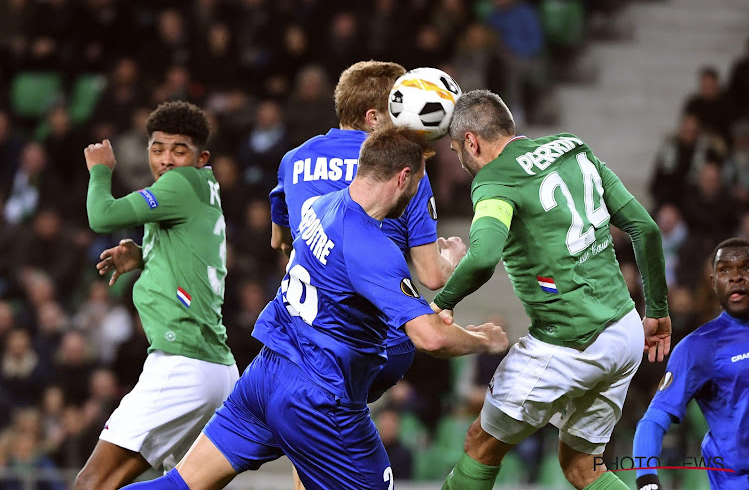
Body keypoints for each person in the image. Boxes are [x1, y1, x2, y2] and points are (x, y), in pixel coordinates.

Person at [121, 127, 509, 490]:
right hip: (320, 398)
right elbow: (430, 337)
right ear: (404, 178)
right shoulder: (373, 249)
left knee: (179, 484)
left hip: (266, 375)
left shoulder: (321, 205)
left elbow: (293, 244)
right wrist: (483, 340)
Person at [432, 90, 672, 490]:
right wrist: (658, 310)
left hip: (569, 344)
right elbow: (644, 228)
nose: (461, 160)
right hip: (627, 330)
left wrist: (442, 303)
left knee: (479, 443)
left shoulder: (494, 178)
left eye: (457, 150)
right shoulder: (572, 148)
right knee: (581, 466)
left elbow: (484, 257)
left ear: (471, 142)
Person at [270, 60, 467, 405]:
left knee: (300, 422)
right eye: (399, 109)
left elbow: (280, 240)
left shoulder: (293, 159)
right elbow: (432, 276)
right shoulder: (407, 170)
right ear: (374, 118)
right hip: (377, 339)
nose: (409, 123)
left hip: (302, 327)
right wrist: (450, 258)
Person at [75, 101, 239, 490]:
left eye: (179, 150)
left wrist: (100, 171)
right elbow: (190, 254)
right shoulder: (203, 190)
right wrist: (145, 255)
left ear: (201, 157)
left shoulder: (181, 185)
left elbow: (101, 216)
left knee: (92, 483)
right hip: (216, 369)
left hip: (181, 364)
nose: (166, 159)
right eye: (157, 149)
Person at [633, 238, 749, 490]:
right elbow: (653, 420)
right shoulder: (698, 347)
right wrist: (647, 481)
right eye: (724, 270)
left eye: (746, 268)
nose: (736, 277)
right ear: (713, 283)